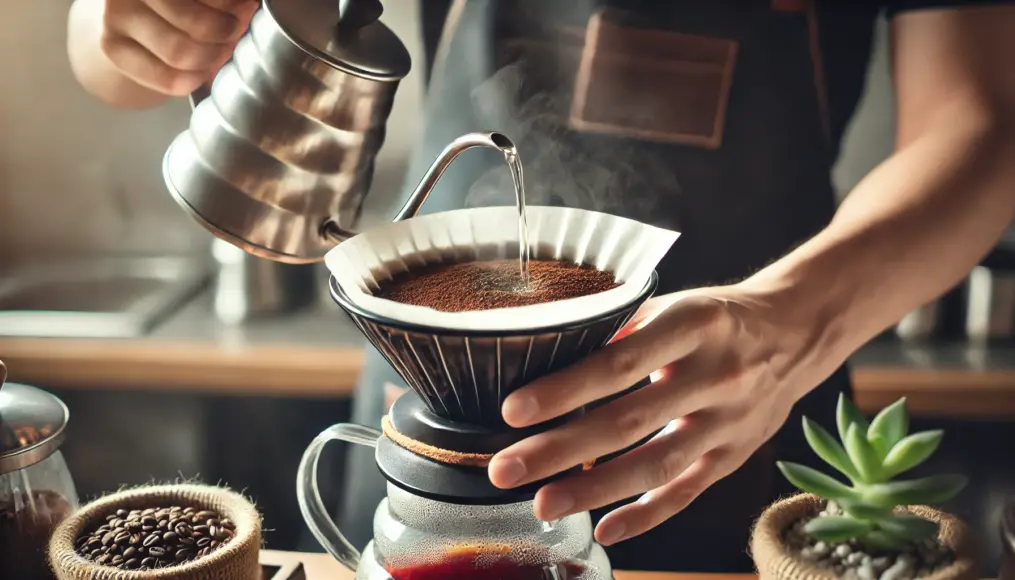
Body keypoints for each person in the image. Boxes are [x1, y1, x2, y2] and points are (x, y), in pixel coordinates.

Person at [69, 0, 1015, 572]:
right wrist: (126, 28)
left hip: (743, 392)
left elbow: (982, 124)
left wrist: (790, 320)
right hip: (427, 387)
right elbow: (111, 63)